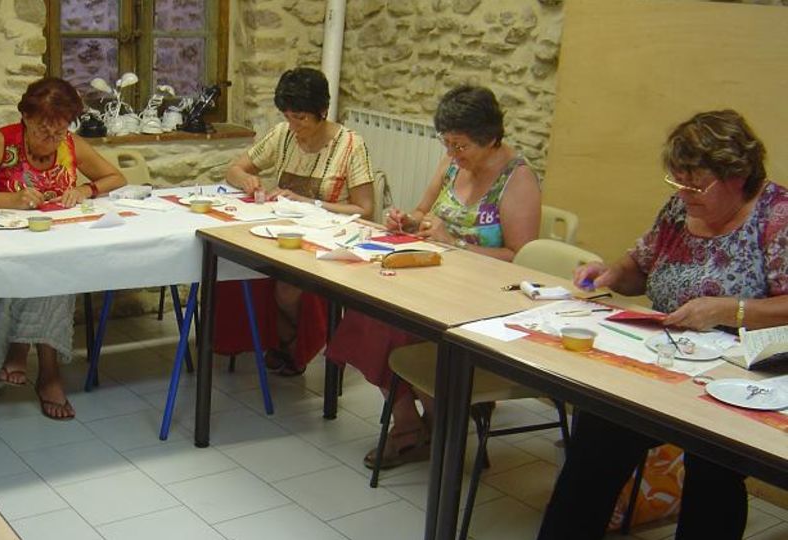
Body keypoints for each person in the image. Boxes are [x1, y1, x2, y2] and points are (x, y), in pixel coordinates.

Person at [538, 109, 788, 540]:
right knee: (597, 434)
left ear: (737, 175)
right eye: (678, 182)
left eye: (696, 185)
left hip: (739, 373)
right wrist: (612, 273)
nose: (684, 193)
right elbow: (640, 268)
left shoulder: (776, 216)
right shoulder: (679, 208)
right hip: (667, 358)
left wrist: (728, 310)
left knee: (713, 464)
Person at [324, 85, 541, 469]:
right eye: (448, 144)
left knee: (397, 328)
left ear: (490, 138)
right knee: (367, 315)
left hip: (481, 296)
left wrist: (455, 244)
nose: (452, 154)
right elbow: (423, 211)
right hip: (435, 278)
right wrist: (406, 220)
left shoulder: (517, 179)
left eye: (461, 146)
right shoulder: (453, 163)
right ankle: (410, 424)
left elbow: (521, 260)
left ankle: (439, 423)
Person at [0, 77, 126, 420]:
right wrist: (11, 200)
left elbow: (116, 178)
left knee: (54, 269)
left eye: (59, 130)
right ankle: (43, 368)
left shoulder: (70, 144)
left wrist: (84, 191)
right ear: (25, 117)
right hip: (6, 241)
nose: (51, 138)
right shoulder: (3, 143)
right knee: (47, 271)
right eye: (43, 129)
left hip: (54, 240)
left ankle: (32, 358)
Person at [220, 67, 375, 375]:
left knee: (288, 286)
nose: (293, 125)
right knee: (234, 267)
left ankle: (289, 344)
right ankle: (254, 339)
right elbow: (234, 169)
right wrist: (247, 180)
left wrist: (311, 202)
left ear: (323, 111)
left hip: (326, 240)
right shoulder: (283, 135)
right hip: (282, 233)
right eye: (288, 116)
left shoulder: (350, 145)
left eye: (301, 118)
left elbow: (365, 209)